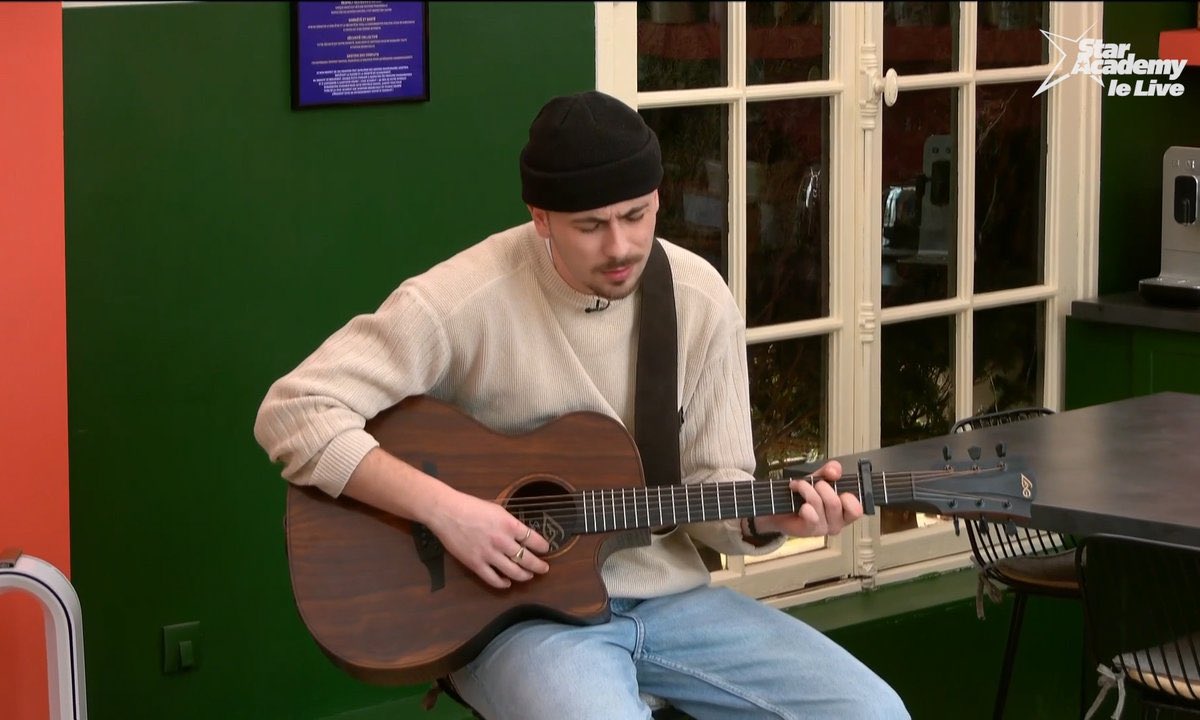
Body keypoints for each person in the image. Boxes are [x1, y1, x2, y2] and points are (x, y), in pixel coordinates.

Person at [254, 90, 910, 720]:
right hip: (513, 618)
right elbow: (295, 411)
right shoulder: (462, 299)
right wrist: (448, 512)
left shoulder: (696, 297)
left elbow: (714, 488)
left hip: (668, 601)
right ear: (540, 218)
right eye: (590, 226)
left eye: (637, 214)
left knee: (874, 711)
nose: (621, 247)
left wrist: (771, 523)